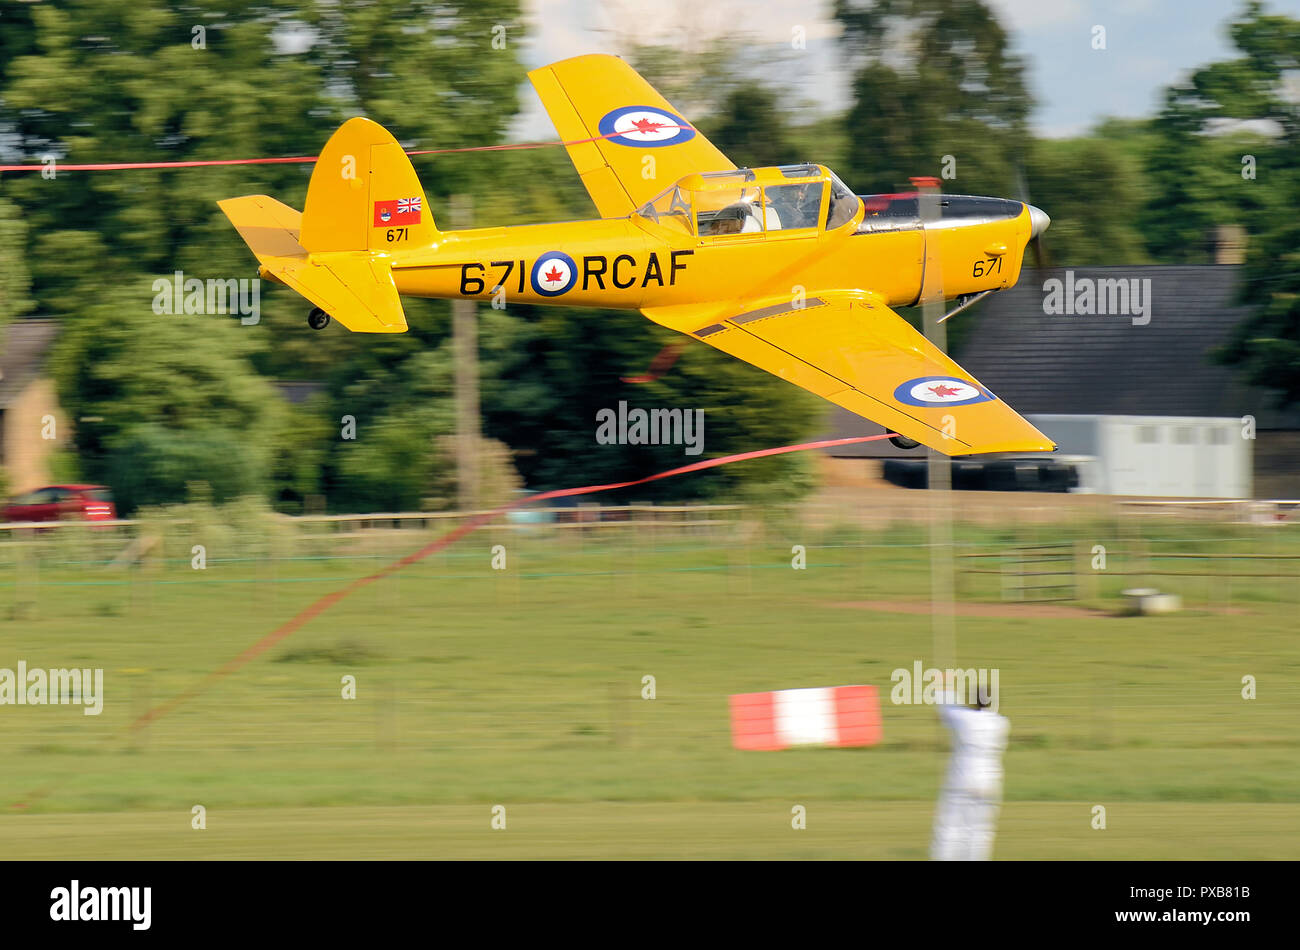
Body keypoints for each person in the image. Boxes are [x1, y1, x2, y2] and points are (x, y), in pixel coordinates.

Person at [931, 672, 1009, 860]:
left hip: (962, 779)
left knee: (950, 827)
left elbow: (946, 708)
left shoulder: (963, 718)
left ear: (972, 700)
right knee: (980, 829)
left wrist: (944, 683)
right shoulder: (1001, 723)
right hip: (989, 781)